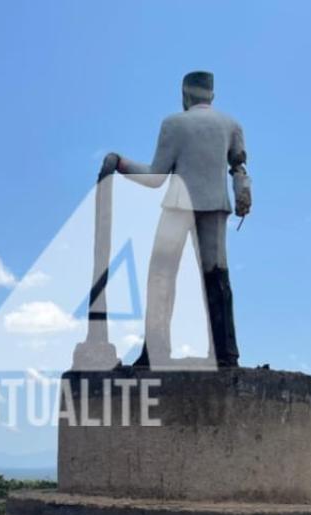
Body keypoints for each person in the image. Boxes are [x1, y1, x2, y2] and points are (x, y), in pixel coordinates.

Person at [102, 71, 251, 367]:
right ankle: (225, 353)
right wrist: (243, 194)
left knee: (161, 275)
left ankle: (155, 352)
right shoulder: (231, 125)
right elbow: (240, 166)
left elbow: (155, 176)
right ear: (212, 95)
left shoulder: (174, 123)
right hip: (215, 206)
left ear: (185, 95)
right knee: (217, 276)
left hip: (178, 205)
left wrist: (120, 163)